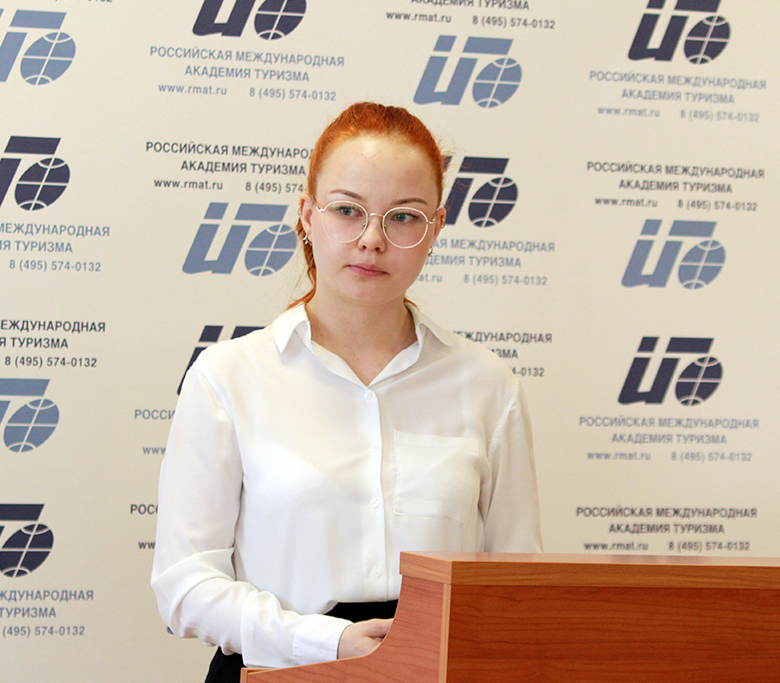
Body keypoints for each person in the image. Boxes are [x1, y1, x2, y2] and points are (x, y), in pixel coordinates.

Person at [151, 102, 541, 683]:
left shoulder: (488, 386)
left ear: (436, 227)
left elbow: (518, 587)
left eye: (403, 217)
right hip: (277, 673)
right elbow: (185, 586)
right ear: (307, 215)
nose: (372, 240)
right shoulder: (228, 376)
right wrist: (326, 641)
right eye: (347, 210)